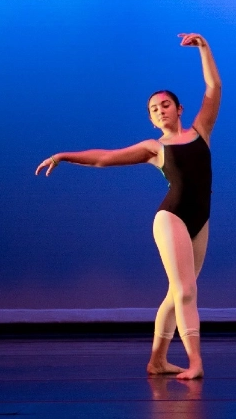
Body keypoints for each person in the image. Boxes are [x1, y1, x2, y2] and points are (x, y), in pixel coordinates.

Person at [35, 33, 221, 380]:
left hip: (201, 219)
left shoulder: (200, 131)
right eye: (153, 109)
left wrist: (204, 49)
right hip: (171, 218)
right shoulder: (155, 147)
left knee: (179, 291)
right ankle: (196, 361)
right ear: (151, 120)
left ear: (179, 109)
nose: (160, 110)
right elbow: (105, 158)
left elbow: (213, 88)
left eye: (165, 104)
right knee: (185, 290)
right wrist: (65, 155)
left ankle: (157, 361)